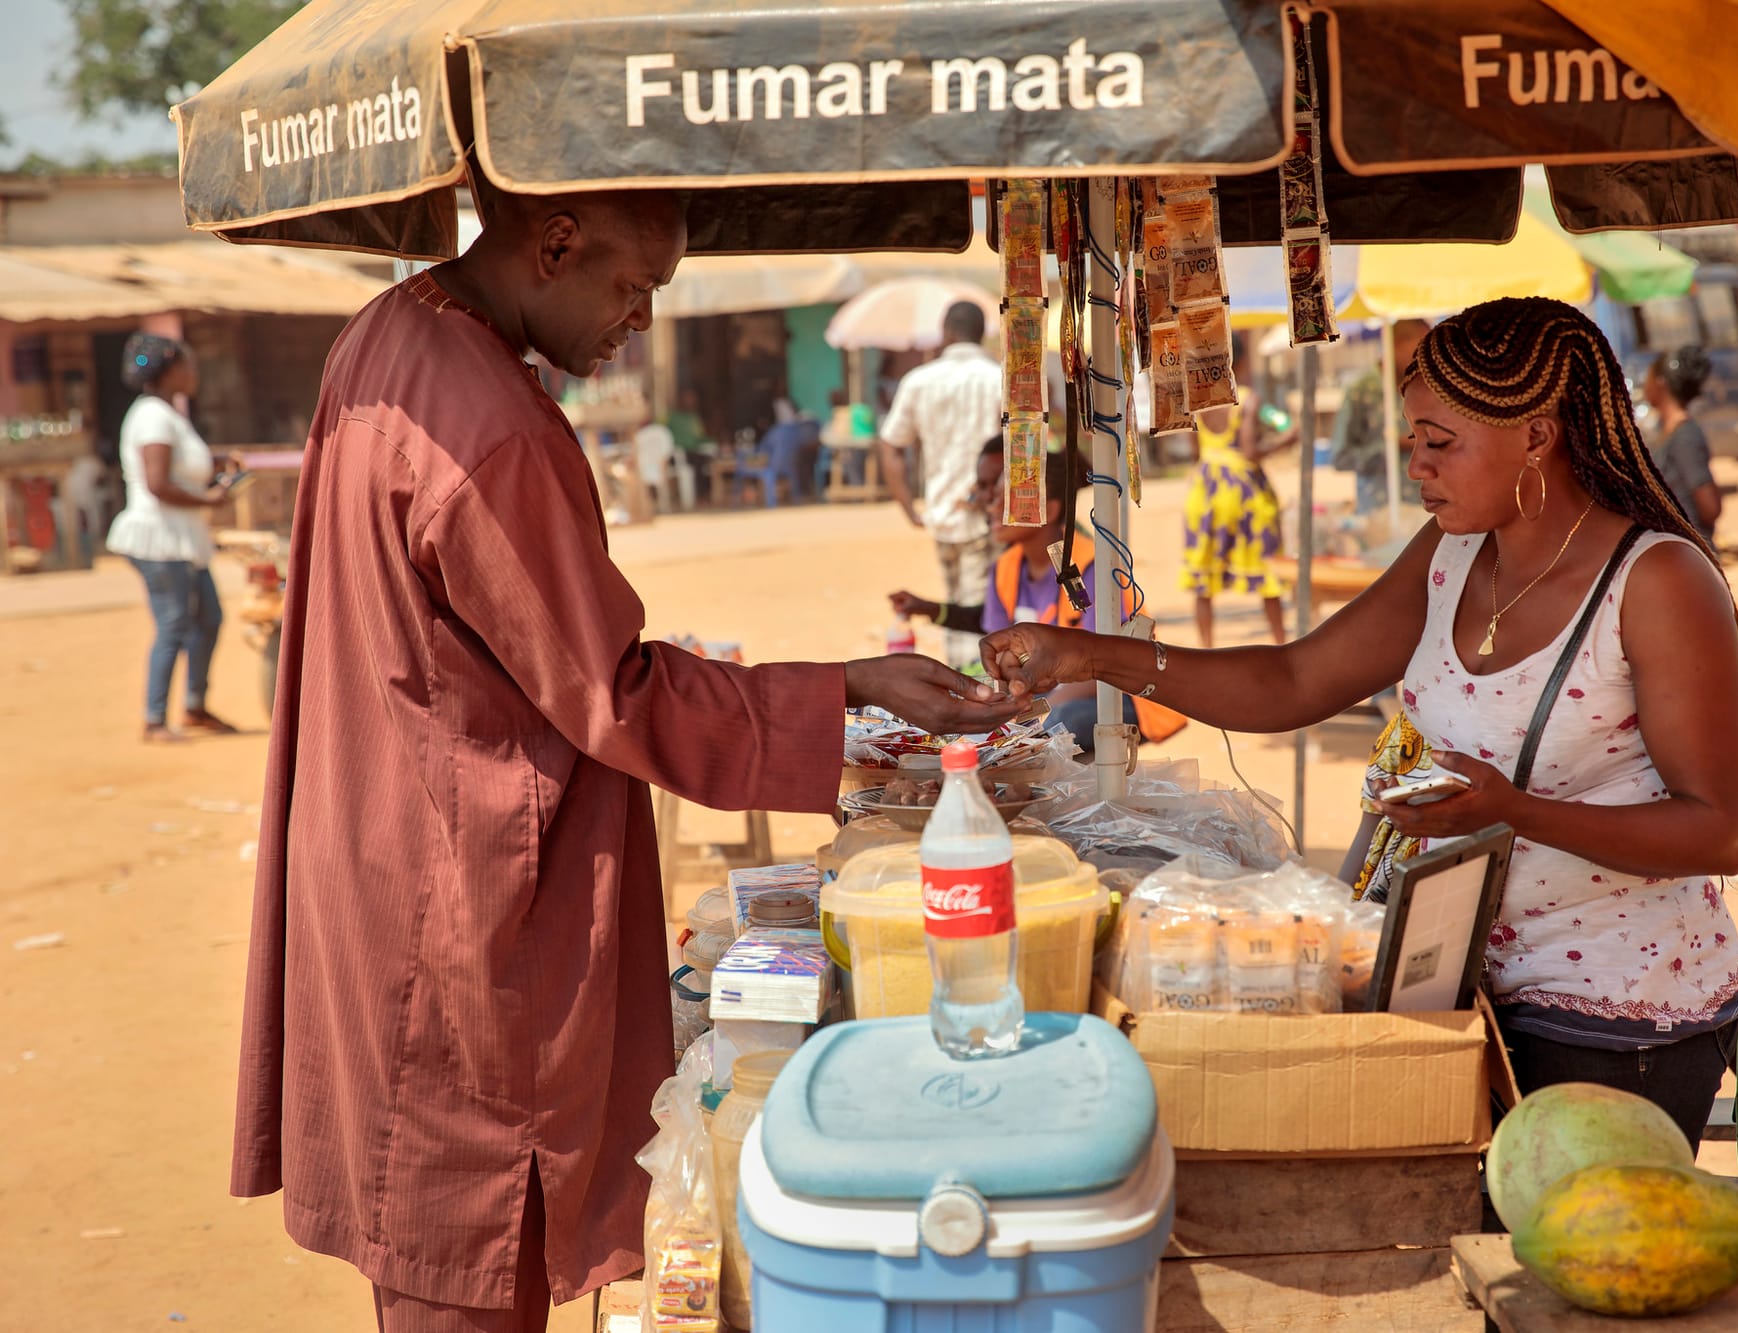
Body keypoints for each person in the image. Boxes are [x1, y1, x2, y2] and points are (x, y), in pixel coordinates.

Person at [232, 175, 1022, 1332]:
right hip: (452, 903)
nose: (641, 319)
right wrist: (840, 689)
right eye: (635, 285)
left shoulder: (391, 334)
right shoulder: (490, 424)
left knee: (432, 1231)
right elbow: (610, 689)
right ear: (555, 243)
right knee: (464, 1247)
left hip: (380, 848)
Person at [984, 297, 1738, 1147]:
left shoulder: (1657, 582)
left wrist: (1515, 811)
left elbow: (1719, 832)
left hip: (1614, 1019)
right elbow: (1293, 678)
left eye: (1440, 443)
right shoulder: (1454, 554)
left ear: (1536, 437)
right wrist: (1093, 656)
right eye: (1412, 438)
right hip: (1455, 982)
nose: (1415, 464)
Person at [888, 438, 1184, 755]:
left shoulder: (1092, 566)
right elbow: (999, 656)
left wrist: (1028, 713)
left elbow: (1104, 669)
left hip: (1113, 695)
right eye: (992, 496)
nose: (989, 506)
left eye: (1004, 500)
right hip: (1040, 697)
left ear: (1050, 509)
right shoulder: (1005, 568)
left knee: (1055, 724)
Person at [102, 333, 239, 742]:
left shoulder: (169, 414)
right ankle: (154, 718)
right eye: (187, 365)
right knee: (174, 622)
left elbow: (179, 466)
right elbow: (158, 483)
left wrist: (216, 462)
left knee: (208, 618)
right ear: (169, 370)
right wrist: (209, 499)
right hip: (159, 539)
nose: (193, 373)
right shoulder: (152, 418)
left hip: (183, 539)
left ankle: (195, 705)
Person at [878, 301, 1003, 666]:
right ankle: (979, 686)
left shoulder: (919, 380)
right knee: (984, 607)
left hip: (942, 513)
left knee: (956, 604)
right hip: (989, 512)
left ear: (946, 334)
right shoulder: (998, 377)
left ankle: (968, 686)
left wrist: (908, 507)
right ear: (981, 334)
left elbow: (891, 445)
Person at [1180, 333, 1298, 648]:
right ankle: (1280, 642)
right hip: (1245, 493)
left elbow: (1195, 451)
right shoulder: (1247, 399)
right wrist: (1287, 438)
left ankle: (1206, 647)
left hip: (1206, 492)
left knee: (1203, 580)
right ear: (1242, 362)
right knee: (1267, 574)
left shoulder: (1198, 401)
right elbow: (1250, 451)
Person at [1331, 319, 1432, 517]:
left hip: (1424, 511)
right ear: (1395, 345)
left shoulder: (1428, 387)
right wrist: (1393, 446)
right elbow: (1341, 457)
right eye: (1420, 348)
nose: (1425, 356)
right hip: (1378, 513)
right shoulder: (1361, 391)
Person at [1642, 346, 1722, 545]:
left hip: (1691, 550)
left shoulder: (1685, 436)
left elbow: (1710, 507)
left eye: (1649, 377)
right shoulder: (1668, 432)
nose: (1645, 385)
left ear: (1661, 383)